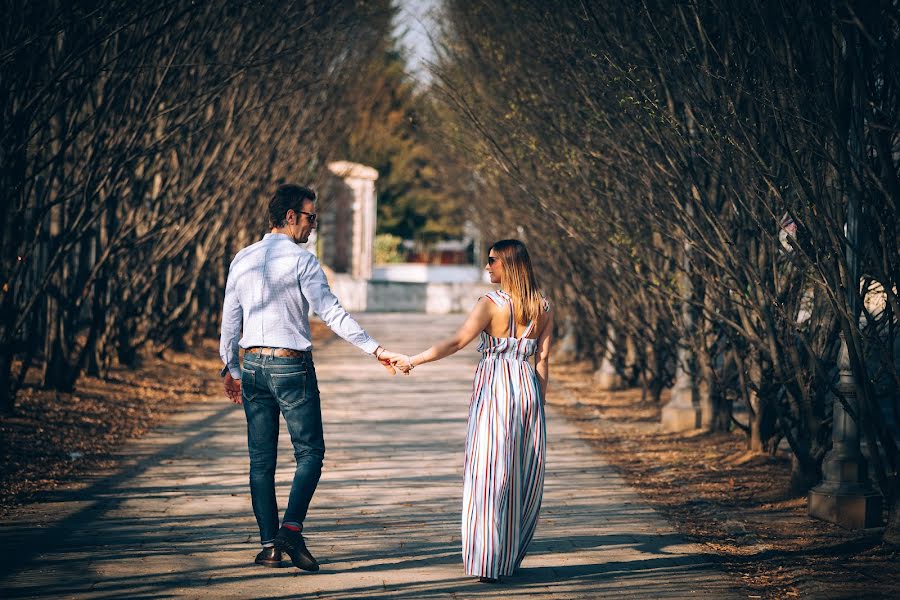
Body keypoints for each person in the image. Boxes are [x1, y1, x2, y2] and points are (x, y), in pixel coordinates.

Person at [220, 183, 400, 572]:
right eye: (310, 217)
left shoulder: (243, 258)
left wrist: (230, 368)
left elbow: (229, 320)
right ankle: (291, 530)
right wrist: (376, 349)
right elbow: (331, 314)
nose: (313, 226)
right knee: (310, 454)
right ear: (290, 217)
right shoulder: (302, 261)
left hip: (251, 366)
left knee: (260, 461)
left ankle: (270, 546)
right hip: (290, 366)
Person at [392, 239, 553, 583]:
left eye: (492, 261)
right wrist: (539, 403)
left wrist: (413, 360)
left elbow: (456, 341)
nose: (487, 266)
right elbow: (542, 360)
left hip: (496, 388)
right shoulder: (544, 306)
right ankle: (508, 556)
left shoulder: (491, 304)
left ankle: (488, 560)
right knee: (520, 473)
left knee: (489, 472)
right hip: (527, 390)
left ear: (508, 265)